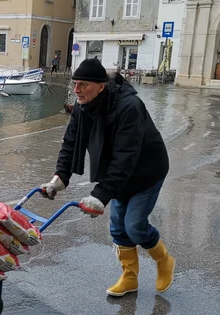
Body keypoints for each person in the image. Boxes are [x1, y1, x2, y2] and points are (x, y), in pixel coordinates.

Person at [39, 58, 174, 297]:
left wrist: (100, 195)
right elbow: (70, 143)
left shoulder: (129, 106)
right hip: (119, 173)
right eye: (75, 84)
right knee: (118, 228)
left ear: (101, 86)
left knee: (134, 226)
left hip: (146, 171)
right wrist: (59, 178)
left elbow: (126, 156)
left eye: (83, 85)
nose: (76, 90)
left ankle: (164, 260)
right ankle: (129, 278)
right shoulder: (83, 106)